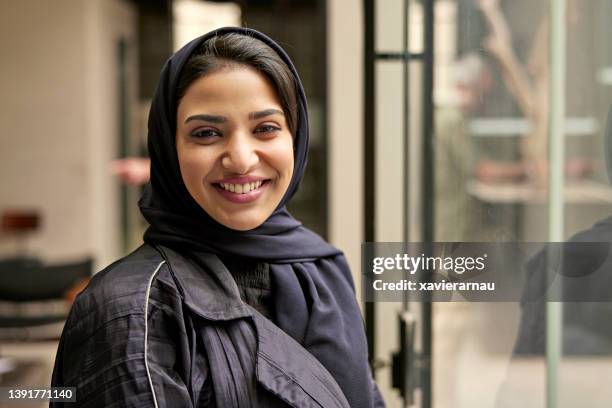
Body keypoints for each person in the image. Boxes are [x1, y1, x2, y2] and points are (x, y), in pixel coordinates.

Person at [50, 27, 384, 407]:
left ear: (296, 137)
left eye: (266, 128)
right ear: (168, 147)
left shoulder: (322, 270)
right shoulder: (130, 308)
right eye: (207, 133)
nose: (241, 158)